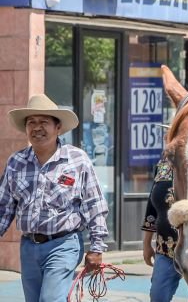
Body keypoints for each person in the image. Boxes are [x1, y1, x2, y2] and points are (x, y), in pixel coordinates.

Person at [0, 94, 109, 302]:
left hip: (64, 244)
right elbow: (3, 207)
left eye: (44, 122)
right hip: (28, 247)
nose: (37, 128)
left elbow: (94, 205)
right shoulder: (16, 162)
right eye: (31, 122)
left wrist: (97, 247)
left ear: (58, 128)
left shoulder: (77, 160)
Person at [142, 157, 188, 302]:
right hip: (165, 250)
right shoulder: (163, 164)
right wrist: (146, 243)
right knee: (157, 296)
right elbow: (152, 206)